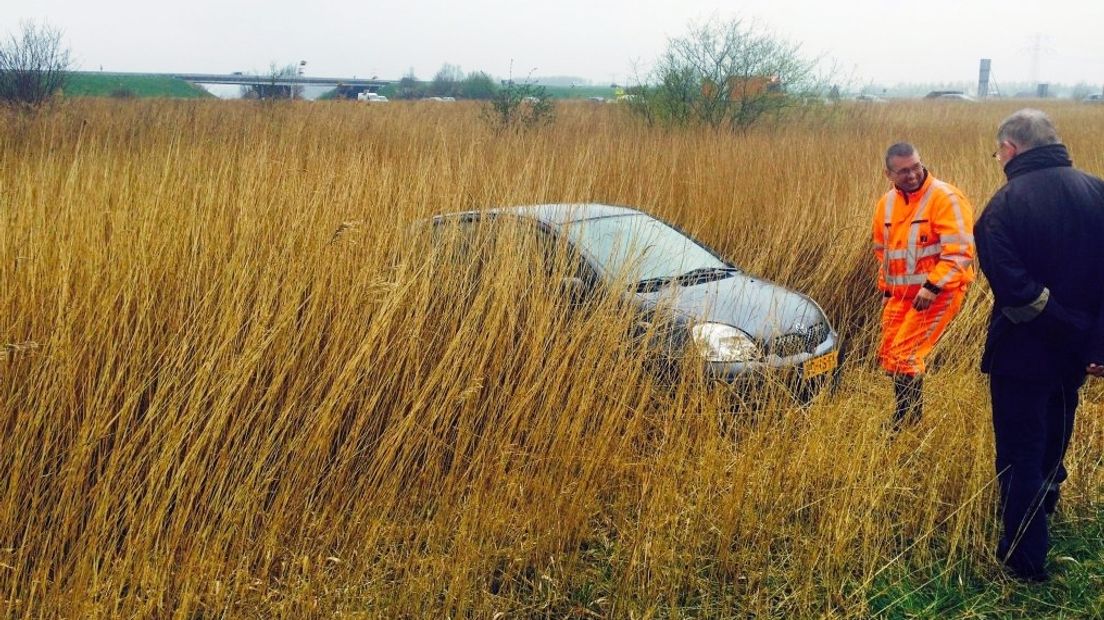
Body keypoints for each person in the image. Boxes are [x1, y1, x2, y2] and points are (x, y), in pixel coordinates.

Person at [974, 108, 1104, 582]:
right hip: (1077, 357)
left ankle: (1024, 563)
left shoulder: (1002, 208)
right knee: (1056, 436)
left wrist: (1072, 328)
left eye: (997, 153)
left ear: (1010, 149)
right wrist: (1094, 341)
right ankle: (1045, 511)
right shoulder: (1099, 192)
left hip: (1022, 356)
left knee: (1020, 454)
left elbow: (1018, 296)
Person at [872, 143, 976, 428]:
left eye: (916, 166)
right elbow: (884, 253)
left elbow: (960, 253)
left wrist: (932, 287)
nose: (913, 174)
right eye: (903, 171)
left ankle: (907, 421)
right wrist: (886, 290)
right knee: (890, 356)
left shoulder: (945, 197)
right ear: (888, 174)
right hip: (899, 295)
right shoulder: (886, 204)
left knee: (905, 355)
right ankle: (907, 416)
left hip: (938, 292)